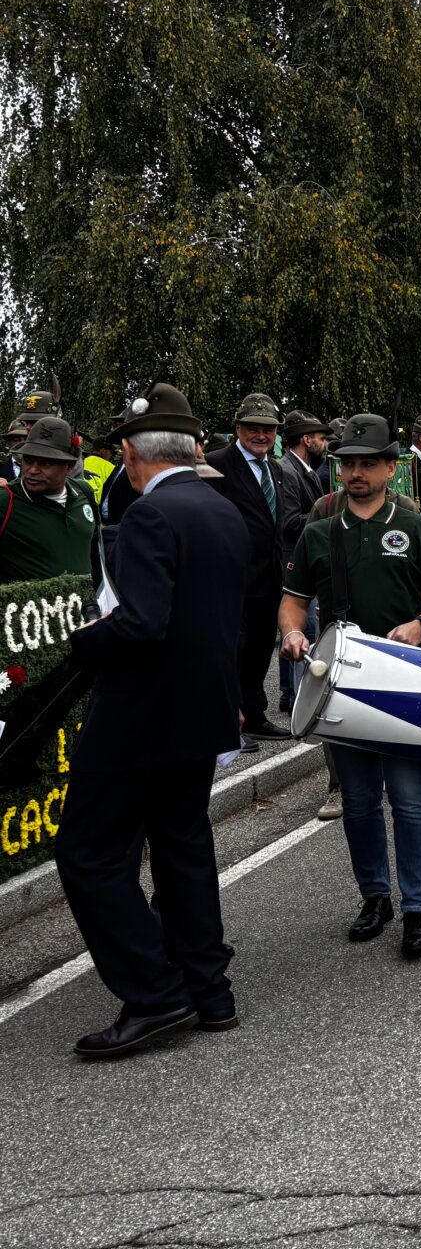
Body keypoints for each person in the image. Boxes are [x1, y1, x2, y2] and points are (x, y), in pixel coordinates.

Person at [55, 386, 249, 1058]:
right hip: (201, 711)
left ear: (132, 457)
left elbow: (141, 624)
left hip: (140, 715)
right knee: (181, 847)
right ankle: (208, 992)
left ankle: (155, 991)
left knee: (87, 852)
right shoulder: (222, 510)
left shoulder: (148, 515)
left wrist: (84, 640)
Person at [280, 414, 421, 959]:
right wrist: (291, 632)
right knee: (358, 801)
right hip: (341, 682)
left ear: (391, 468)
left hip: (405, 677)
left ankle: (417, 909)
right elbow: (292, 602)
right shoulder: (318, 534)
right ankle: (375, 896)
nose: (356, 473)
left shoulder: (419, 528)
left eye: (367, 463)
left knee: (409, 799)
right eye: (347, 464)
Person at [205, 394, 293, 747]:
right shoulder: (215, 465)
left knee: (259, 650)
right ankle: (229, 720)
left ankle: (254, 716)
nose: (261, 435)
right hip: (231, 578)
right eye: (253, 428)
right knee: (232, 651)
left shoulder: (275, 469)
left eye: (268, 429)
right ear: (238, 428)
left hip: (269, 577)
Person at [273, 410, 330, 718]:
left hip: (302, 560)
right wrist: (326, 516)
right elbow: (289, 522)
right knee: (300, 629)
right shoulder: (288, 471)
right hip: (292, 562)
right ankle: (293, 696)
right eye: (321, 438)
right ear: (307, 440)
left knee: (305, 629)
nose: (325, 444)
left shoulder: (303, 469)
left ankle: (291, 693)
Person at [0, 414, 98, 586]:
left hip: (86, 610)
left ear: (69, 466)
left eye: (45, 463)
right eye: (28, 460)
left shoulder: (84, 492)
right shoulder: (6, 501)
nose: (32, 470)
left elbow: (95, 548)